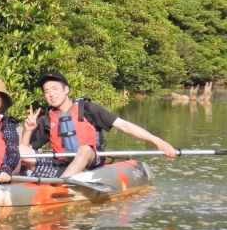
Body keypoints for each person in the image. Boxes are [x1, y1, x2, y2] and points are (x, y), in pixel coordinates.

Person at [21, 71, 177, 178]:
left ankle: (64, 185)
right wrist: (28, 131)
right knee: (18, 149)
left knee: (85, 149)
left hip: (91, 162)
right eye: (46, 91)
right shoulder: (47, 119)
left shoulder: (88, 109)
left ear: (66, 89)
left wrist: (158, 141)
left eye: (55, 89)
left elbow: (124, 125)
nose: (51, 94)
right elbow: (25, 151)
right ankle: (62, 179)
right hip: (61, 166)